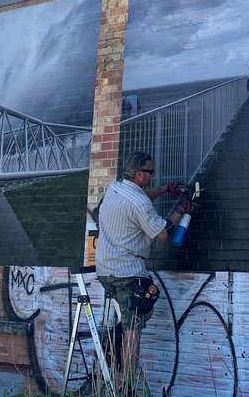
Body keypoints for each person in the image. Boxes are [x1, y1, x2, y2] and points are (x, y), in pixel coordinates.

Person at [96, 152, 192, 391]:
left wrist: (165, 189)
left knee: (135, 316)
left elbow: (141, 197)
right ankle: (128, 386)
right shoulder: (139, 203)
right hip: (128, 273)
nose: (152, 175)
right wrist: (182, 208)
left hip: (105, 270)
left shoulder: (116, 188)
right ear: (139, 174)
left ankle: (113, 337)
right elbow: (161, 234)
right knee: (133, 331)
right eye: (150, 172)